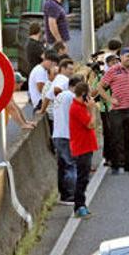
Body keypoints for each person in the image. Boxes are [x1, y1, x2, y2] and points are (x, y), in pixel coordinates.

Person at [99, 48, 129, 175]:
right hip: (117, 110)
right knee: (116, 138)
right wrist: (109, 99)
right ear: (121, 57)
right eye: (127, 56)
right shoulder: (113, 70)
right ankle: (116, 165)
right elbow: (100, 87)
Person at [69, 82, 99, 218]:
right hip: (81, 146)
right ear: (84, 94)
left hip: (86, 145)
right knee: (82, 178)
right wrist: (92, 109)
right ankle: (79, 206)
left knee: (84, 177)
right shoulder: (77, 108)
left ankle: (82, 204)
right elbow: (91, 124)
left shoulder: (82, 106)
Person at [52, 76, 80, 206]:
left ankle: (63, 194)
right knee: (71, 165)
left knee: (62, 166)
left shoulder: (59, 97)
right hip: (68, 135)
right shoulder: (71, 97)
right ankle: (71, 195)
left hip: (57, 134)